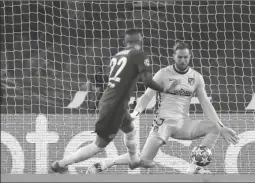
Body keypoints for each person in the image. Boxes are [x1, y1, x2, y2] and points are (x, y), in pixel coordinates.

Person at [86, 42, 239, 174]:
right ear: (174, 57)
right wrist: (136, 112)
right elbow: (146, 96)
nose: (183, 60)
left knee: (213, 128)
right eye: (180, 57)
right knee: (143, 160)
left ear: (190, 57)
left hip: (183, 124)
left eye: (186, 57)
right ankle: (107, 163)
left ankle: (195, 167)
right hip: (163, 124)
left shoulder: (196, 77)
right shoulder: (163, 74)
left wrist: (222, 127)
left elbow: (206, 103)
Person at [51, 29, 180, 173]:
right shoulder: (139, 54)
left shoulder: (116, 56)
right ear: (141, 41)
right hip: (114, 106)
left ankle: (134, 161)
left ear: (125, 42)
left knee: (130, 130)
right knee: (98, 146)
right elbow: (147, 81)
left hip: (113, 102)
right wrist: (166, 89)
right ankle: (61, 164)